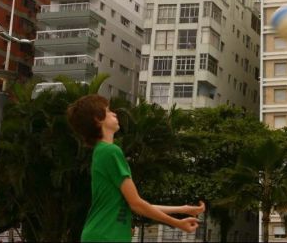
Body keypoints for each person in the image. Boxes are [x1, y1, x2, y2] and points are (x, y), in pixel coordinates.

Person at [67, 94, 205, 242]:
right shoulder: (110, 152)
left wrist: (182, 210)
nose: (114, 113)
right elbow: (136, 204)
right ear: (97, 119)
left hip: (104, 235)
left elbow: (134, 203)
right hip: (105, 236)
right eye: (108, 111)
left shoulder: (103, 152)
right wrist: (177, 223)